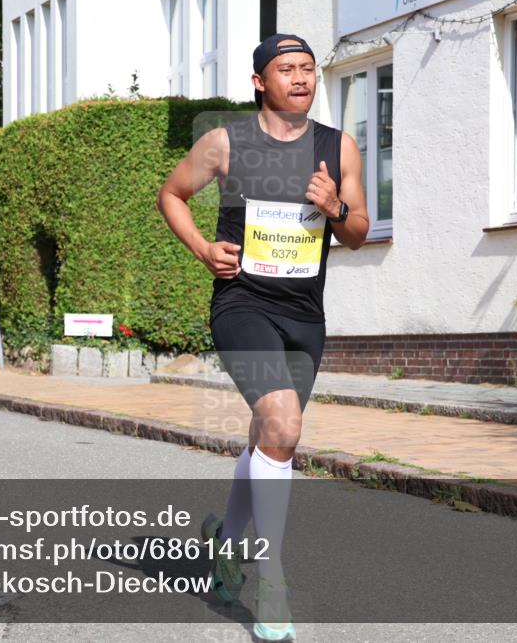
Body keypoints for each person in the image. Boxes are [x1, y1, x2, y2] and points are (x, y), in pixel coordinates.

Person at [156, 33, 368, 641]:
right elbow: (172, 195)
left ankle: (226, 543)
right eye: (287, 69)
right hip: (243, 304)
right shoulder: (225, 142)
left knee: (267, 440)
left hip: (305, 315)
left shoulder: (338, 146)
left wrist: (334, 208)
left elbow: (358, 232)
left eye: (308, 70)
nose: (301, 79)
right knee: (283, 427)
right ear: (260, 82)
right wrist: (203, 248)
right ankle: (270, 574)